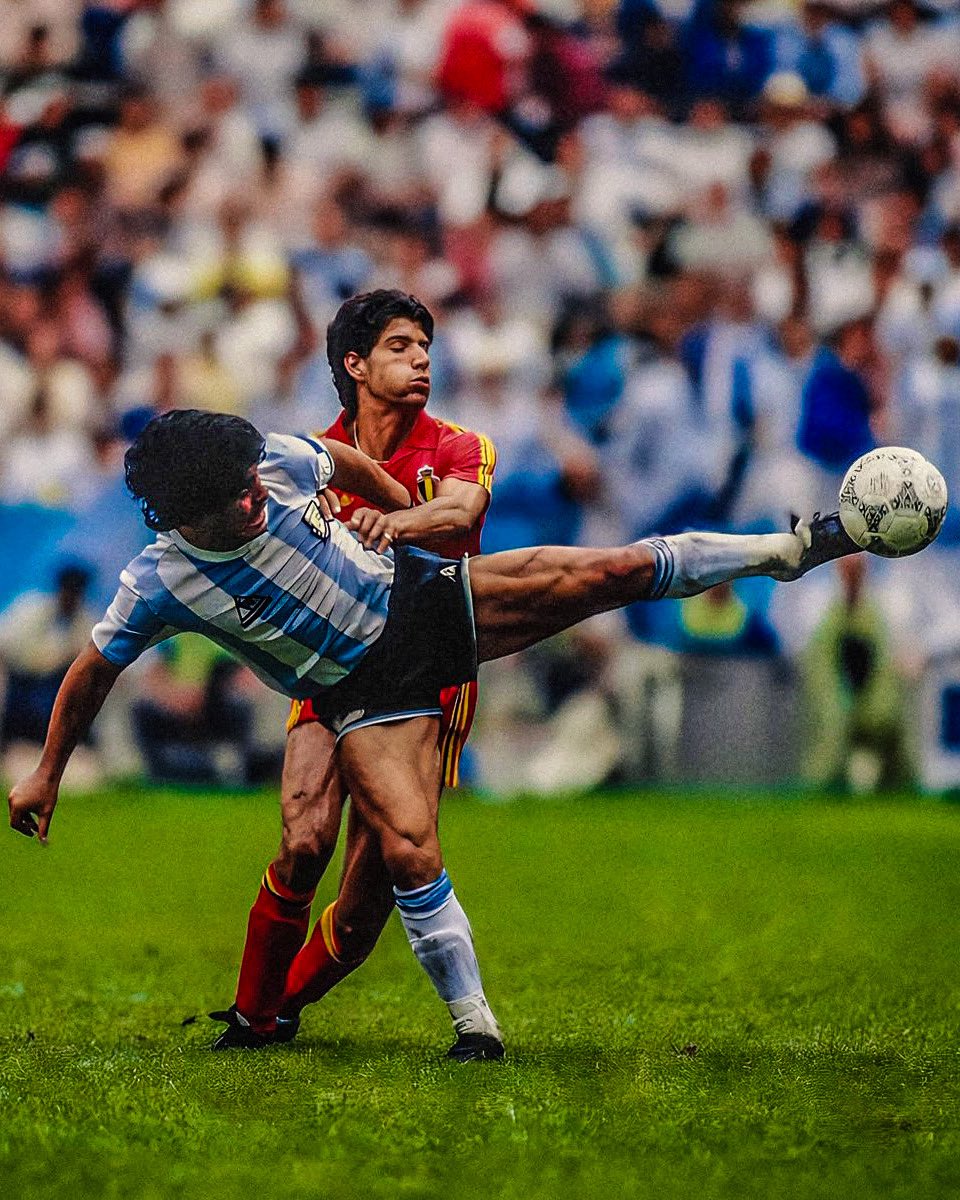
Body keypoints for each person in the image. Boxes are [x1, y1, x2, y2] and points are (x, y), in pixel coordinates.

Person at [9, 408, 861, 1060]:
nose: (255, 494)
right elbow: (92, 671)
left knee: (606, 571)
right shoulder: (158, 581)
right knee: (399, 851)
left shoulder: (268, 462)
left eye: (251, 479)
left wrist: (399, 516)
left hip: (420, 598)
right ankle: (461, 1026)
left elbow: (342, 461)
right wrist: (47, 773)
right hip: (361, 691)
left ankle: (785, 551)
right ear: (187, 517)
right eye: (236, 498)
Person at [227, 290, 498, 1057]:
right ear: (355, 364)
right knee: (302, 843)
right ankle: (252, 1018)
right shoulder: (309, 460)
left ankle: (276, 1007)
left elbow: (460, 513)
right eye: (401, 347)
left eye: (425, 348)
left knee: (360, 909)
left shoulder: (461, 445)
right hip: (333, 670)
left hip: (426, 677)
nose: (422, 361)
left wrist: (396, 521)